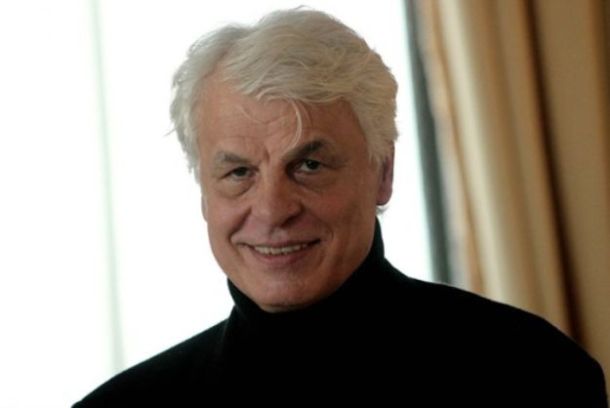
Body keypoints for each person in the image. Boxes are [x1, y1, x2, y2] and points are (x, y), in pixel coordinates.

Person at [74, 8, 607, 406]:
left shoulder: (531, 374)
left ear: (383, 173)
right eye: (239, 173)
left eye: (309, 165)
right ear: (203, 192)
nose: (273, 209)